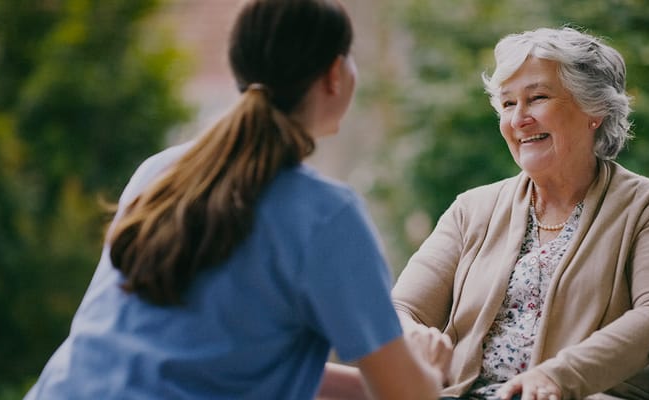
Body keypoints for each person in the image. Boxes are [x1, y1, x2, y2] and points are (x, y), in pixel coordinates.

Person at [24, 0, 450, 399]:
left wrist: (370, 384)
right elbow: (408, 395)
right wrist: (428, 367)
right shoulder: (326, 216)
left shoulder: (160, 172)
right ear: (335, 74)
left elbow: (216, 361)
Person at [391, 27, 649, 400]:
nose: (519, 119)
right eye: (507, 104)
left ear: (594, 109)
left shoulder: (648, 205)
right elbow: (402, 308)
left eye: (536, 98)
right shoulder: (471, 209)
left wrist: (561, 377)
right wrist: (413, 335)